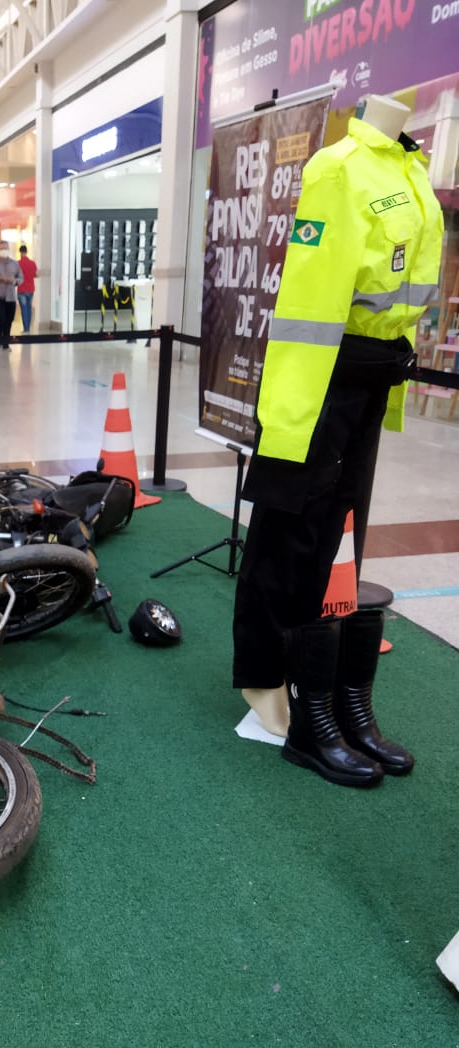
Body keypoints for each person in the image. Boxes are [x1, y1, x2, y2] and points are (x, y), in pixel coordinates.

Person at [232, 95, 443, 786]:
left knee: (333, 543)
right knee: (291, 541)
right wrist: (293, 415)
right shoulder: (338, 167)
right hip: (323, 382)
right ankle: (280, 698)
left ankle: (335, 702)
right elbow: (308, 304)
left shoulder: (410, 167)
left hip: (373, 376)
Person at [0, 240, 23, 350]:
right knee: (0, 318)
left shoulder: (15, 264)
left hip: (11, 296)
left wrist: (14, 281)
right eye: (1, 248)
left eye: (5, 248)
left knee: (9, 319)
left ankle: (6, 340)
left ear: (9, 249)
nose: (3, 250)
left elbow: (21, 278)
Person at [17, 244, 38, 333]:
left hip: (22, 289)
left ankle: (26, 329)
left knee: (24, 309)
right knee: (29, 308)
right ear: (26, 251)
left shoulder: (18, 263)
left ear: (20, 252)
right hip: (31, 289)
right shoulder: (32, 263)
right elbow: (36, 275)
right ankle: (28, 327)